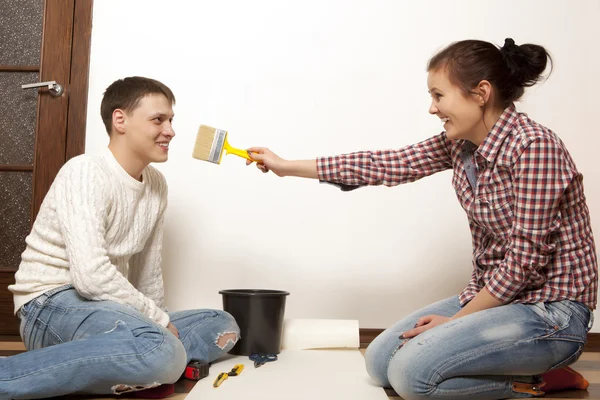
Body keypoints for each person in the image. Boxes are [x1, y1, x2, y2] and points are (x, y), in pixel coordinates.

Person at [246, 38, 597, 399]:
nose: (432, 108)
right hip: (500, 299)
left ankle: (536, 380)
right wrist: (286, 166)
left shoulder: (534, 147)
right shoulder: (460, 145)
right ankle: (510, 368)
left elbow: (524, 263)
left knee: (411, 377)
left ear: (481, 93)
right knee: (380, 361)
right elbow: (384, 164)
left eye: (438, 95)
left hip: (552, 313)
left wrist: (454, 323)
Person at [1, 77, 240, 399]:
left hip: (106, 309)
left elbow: (147, 272)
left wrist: (156, 322)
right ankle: (11, 376)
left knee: (221, 324)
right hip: (51, 305)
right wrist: (156, 324)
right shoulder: (85, 171)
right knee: (161, 350)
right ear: (120, 120)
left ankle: (139, 363)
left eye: (171, 120)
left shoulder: (156, 185)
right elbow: (90, 276)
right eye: (159, 119)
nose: (170, 130)